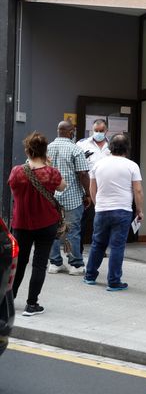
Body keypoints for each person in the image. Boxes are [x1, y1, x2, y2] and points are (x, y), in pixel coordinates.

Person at [8, 132, 66, 316]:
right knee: (40, 264)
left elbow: (12, 186)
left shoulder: (17, 171)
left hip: (21, 224)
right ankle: (32, 304)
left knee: (19, 263)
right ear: (45, 151)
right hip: (46, 224)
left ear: (27, 151)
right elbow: (63, 186)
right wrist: (47, 165)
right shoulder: (50, 173)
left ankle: (9, 300)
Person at [83, 134, 143, 291]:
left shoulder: (98, 165)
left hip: (102, 209)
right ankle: (114, 281)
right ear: (127, 148)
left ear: (110, 147)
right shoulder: (132, 166)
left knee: (98, 243)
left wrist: (98, 204)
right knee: (117, 246)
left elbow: (92, 188)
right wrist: (139, 209)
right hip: (122, 210)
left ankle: (90, 275)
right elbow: (137, 190)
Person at [47, 120, 90, 276]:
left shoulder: (47, 148)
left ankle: (55, 263)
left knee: (54, 230)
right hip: (72, 198)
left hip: (50, 197)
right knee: (72, 231)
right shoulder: (75, 149)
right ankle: (75, 265)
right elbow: (83, 174)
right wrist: (88, 194)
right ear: (71, 132)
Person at [77, 118, 111, 253]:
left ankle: (99, 250)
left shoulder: (112, 145)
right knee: (84, 220)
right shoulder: (83, 145)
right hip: (88, 188)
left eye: (101, 131)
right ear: (92, 130)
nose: (98, 133)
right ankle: (77, 250)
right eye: (96, 131)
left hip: (107, 189)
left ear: (106, 130)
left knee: (103, 222)